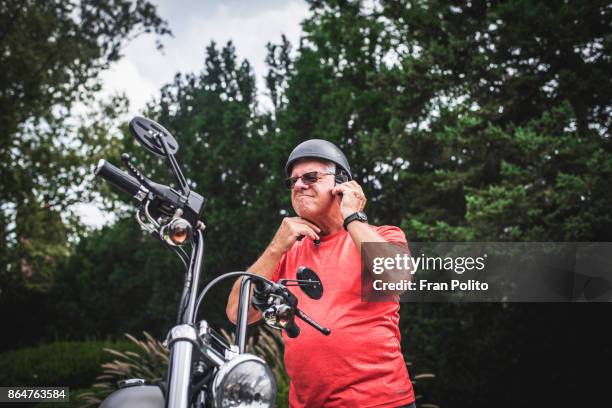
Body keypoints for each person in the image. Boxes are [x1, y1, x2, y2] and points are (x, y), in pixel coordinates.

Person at [226, 139, 416, 408]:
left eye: (310, 177)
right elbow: (237, 313)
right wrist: (275, 248)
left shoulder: (382, 235)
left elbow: (398, 279)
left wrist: (352, 215)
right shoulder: (287, 251)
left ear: (342, 183)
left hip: (380, 402)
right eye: (293, 181)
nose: (299, 185)